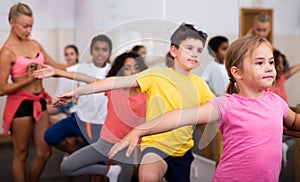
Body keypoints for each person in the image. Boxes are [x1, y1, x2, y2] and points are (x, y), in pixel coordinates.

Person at [109, 36, 300, 182]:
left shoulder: (276, 102)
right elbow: (179, 116)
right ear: (237, 72)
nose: (269, 68)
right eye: (260, 62)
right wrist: (140, 130)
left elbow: (294, 121)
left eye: (271, 62)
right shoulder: (226, 105)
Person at [53, 23, 214, 182]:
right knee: (148, 176)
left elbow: (219, 106)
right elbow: (111, 82)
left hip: (182, 151)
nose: (195, 54)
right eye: (189, 48)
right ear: (174, 50)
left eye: (199, 51)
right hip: (154, 146)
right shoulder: (156, 76)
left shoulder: (199, 84)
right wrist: (77, 91)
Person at [0, 3, 68, 182]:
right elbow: (1, 89)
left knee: (44, 152)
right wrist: (28, 79)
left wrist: (86, 66)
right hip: (20, 105)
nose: (28, 30)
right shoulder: (6, 52)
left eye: (31, 26)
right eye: (25, 26)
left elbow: (57, 67)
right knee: (21, 154)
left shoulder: (35, 44)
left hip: (40, 101)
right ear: (11, 22)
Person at [57, 52, 148, 182]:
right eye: (127, 68)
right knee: (67, 167)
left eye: (136, 67)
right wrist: (56, 72)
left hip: (127, 149)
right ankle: (110, 171)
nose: (133, 71)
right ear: (120, 71)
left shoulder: (147, 92)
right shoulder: (114, 88)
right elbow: (85, 78)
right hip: (105, 144)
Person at [34, 34, 112, 154]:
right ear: (91, 51)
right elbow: (62, 72)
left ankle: (88, 161)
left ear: (109, 52)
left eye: (104, 49)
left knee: (97, 164)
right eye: (97, 49)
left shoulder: (113, 70)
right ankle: (76, 153)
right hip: (78, 118)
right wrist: (52, 71)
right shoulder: (82, 67)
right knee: (50, 136)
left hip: (99, 124)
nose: (100, 53)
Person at [47, 44, 80, 118]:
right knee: (43, 112)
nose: (69, 57)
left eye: (71, 54)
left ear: (77, 55)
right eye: (66, 54)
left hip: (73, 103)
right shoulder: (63, 69)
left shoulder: (81, 68)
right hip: (61, 102)